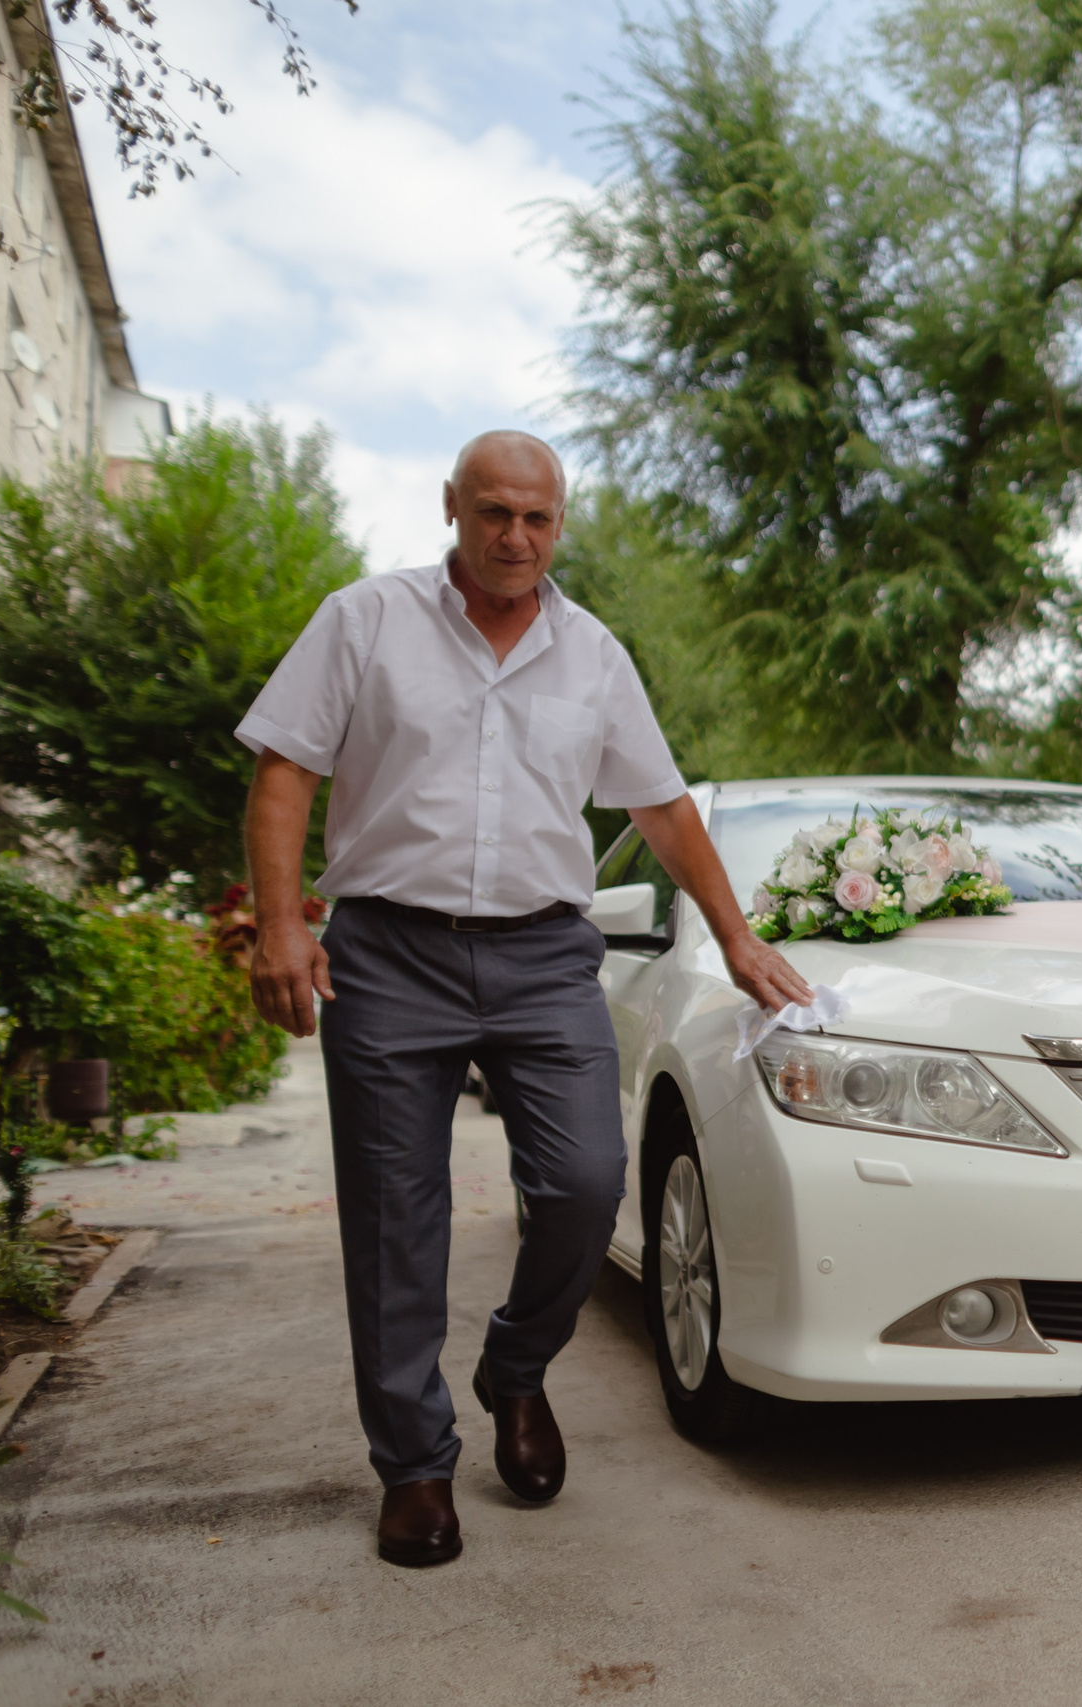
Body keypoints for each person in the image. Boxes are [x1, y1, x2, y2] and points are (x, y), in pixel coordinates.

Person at [240, 432, 813, 1567]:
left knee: (586, 1183)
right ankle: (413, 1465)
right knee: (398, 1220)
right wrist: (282, 924)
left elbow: (661, 808)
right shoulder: (365, 621)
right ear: (452, 506)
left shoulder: (593, 654)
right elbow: (284, 773)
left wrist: (738, 936)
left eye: (538, 519)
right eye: (495, 513)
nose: (516, 538)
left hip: (546, 954)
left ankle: (513, 1370)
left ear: (561, 524)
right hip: (389, 956)